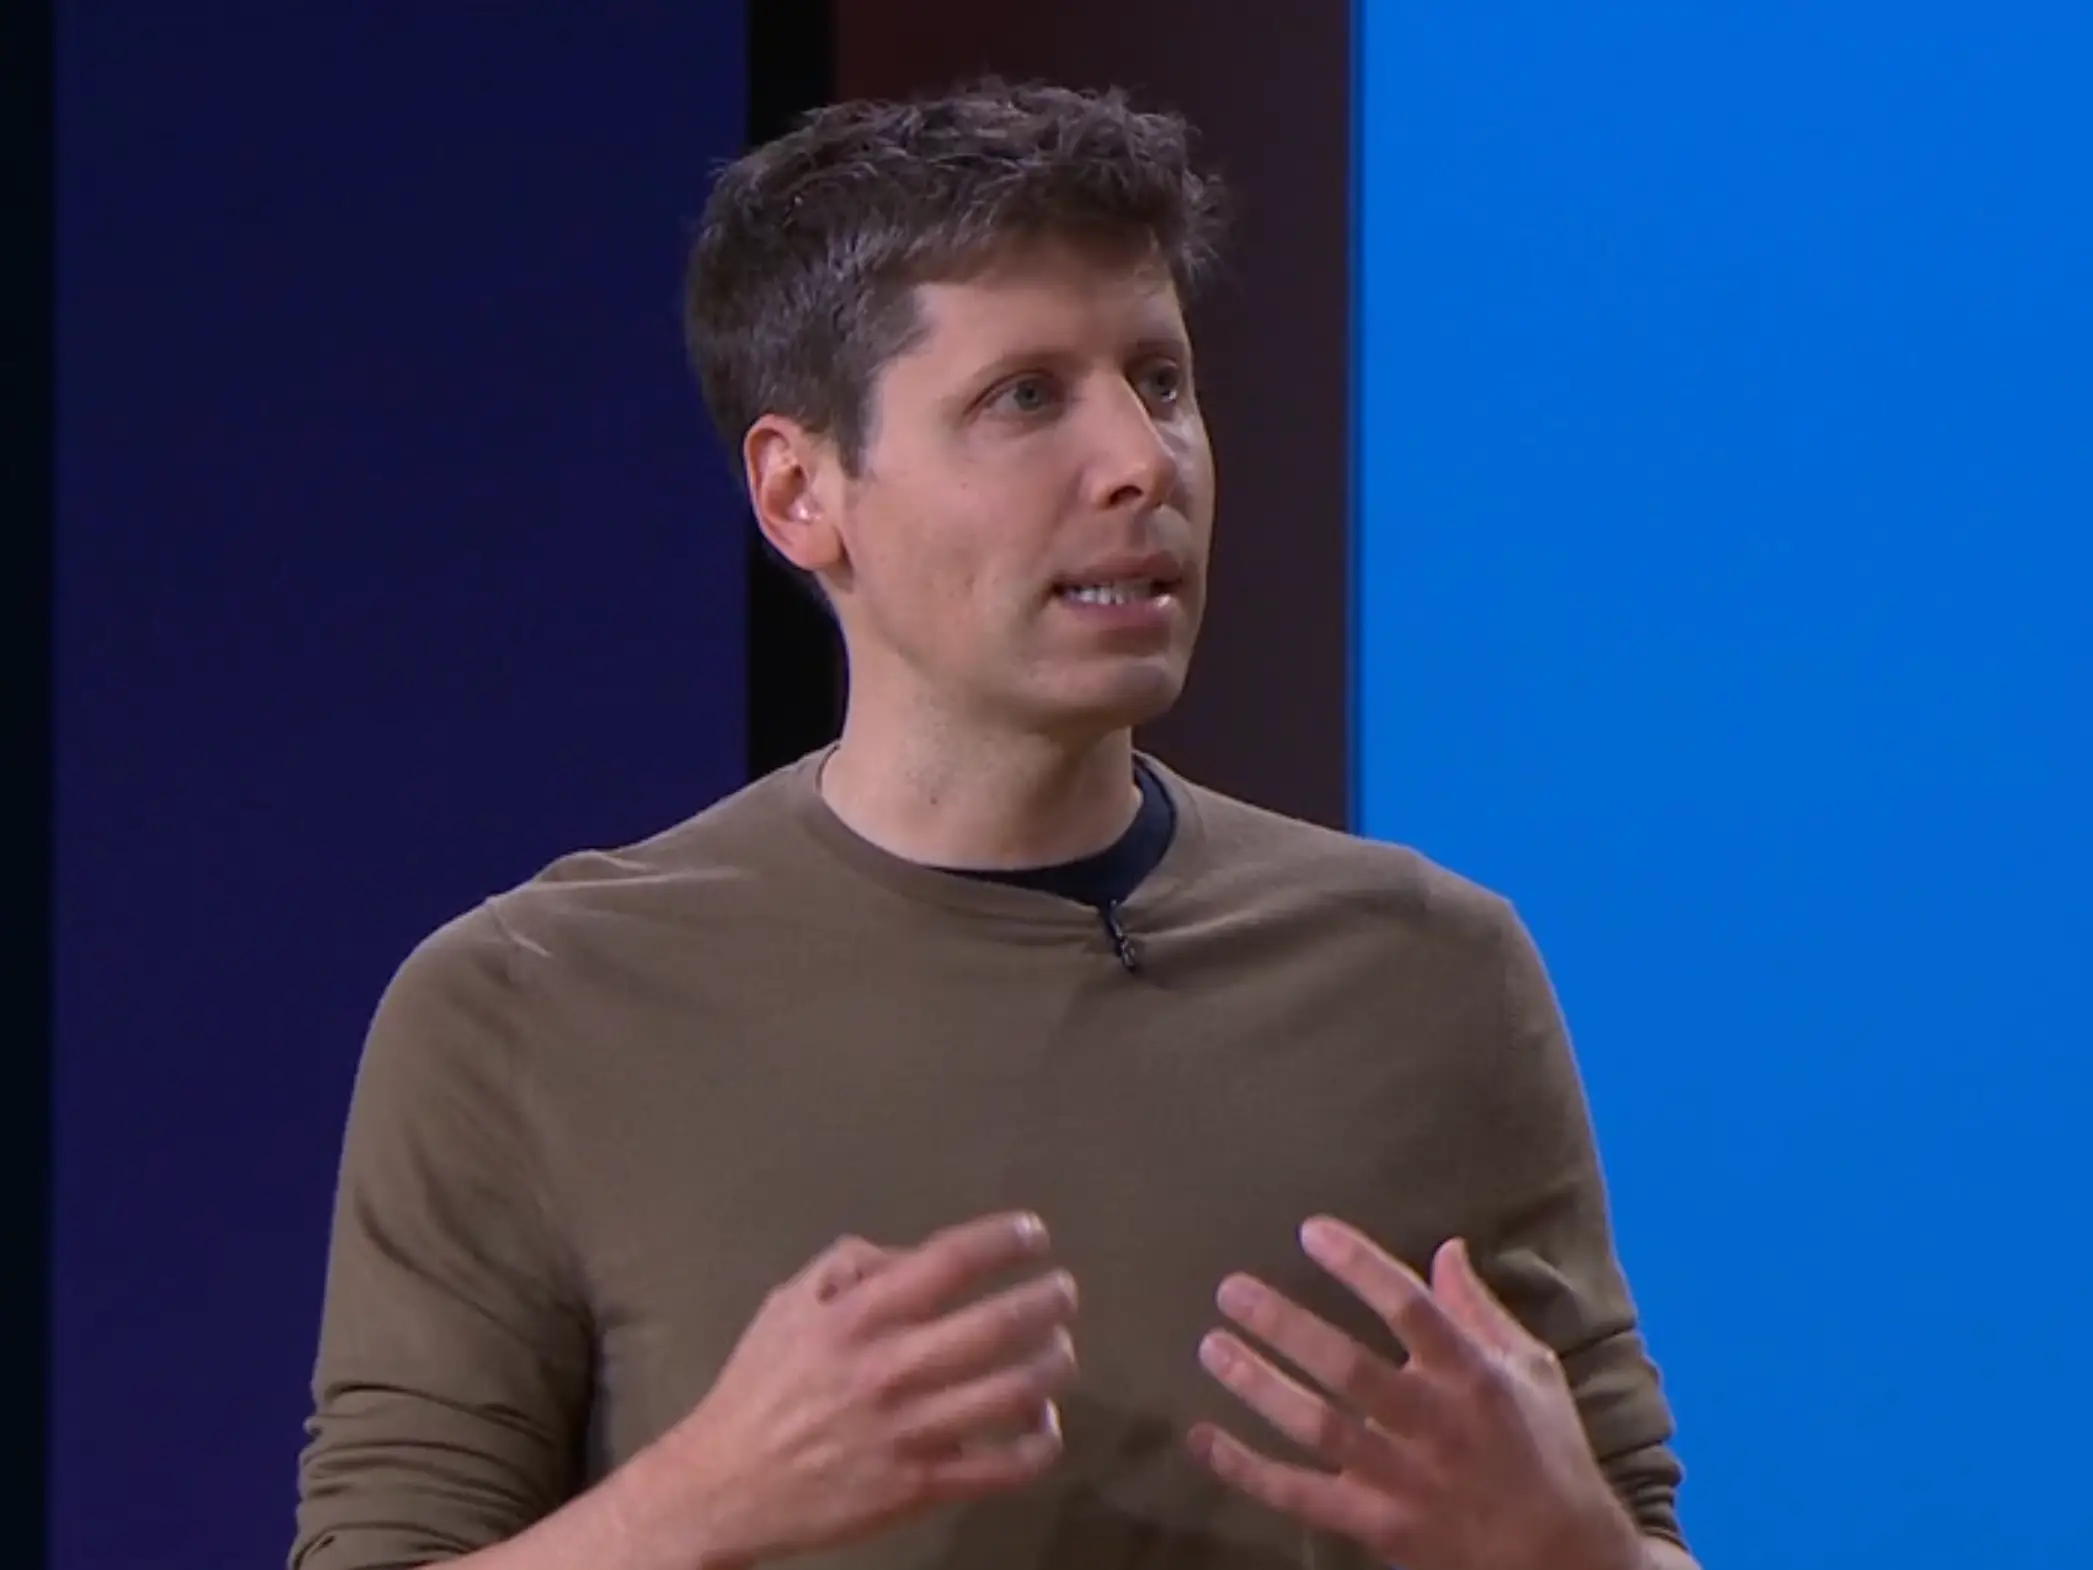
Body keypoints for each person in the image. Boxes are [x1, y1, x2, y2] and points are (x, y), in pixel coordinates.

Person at [291, 80, 1699, 1570]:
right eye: (1024, 397)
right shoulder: (523, 1008)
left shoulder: (1431, 974)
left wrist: (1569, 1550)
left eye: (1159, 380)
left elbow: (1638, 1532)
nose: (1142, 463)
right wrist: (695, 1504)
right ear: (799, 489)